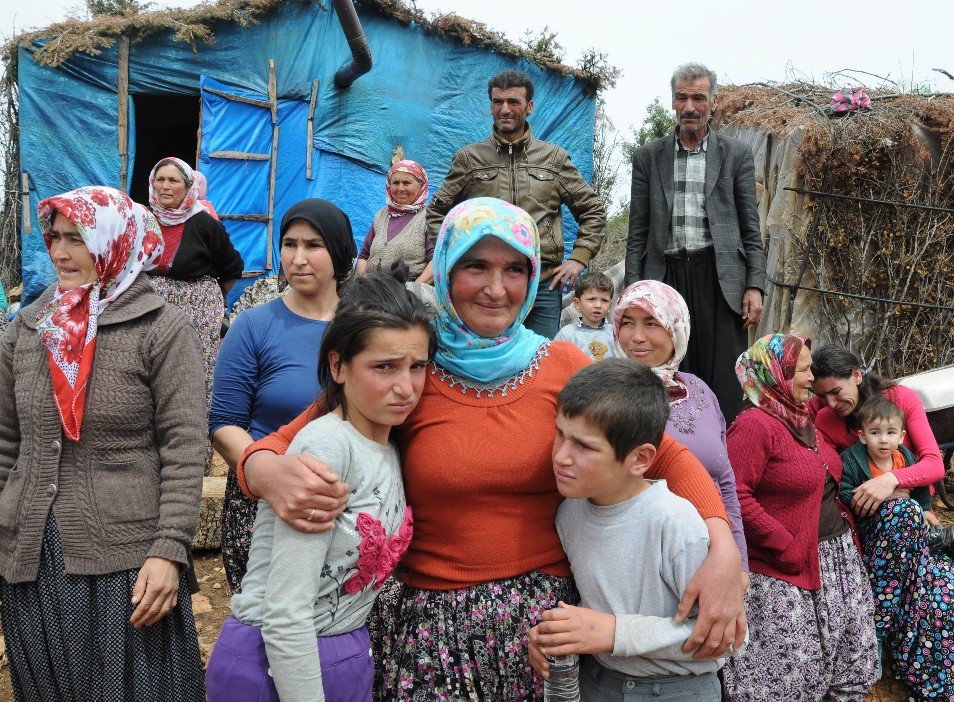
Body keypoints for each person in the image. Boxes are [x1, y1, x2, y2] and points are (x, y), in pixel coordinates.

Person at [236, 197, 745, 701]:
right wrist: (266, 473)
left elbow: (666, 454)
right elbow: (275, 445)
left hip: (545, 635)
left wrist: (721, 548)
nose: (496, 289)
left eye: (514, 270)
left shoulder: (563, 365)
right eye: (476, 266)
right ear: (446, 270)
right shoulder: (408, 369)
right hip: (433, 636)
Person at [0, 186, 206, 700]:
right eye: (55, 238)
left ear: (114, 242)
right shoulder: (26, 329)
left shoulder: (159, 328)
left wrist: (169, 550)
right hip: (33, 561)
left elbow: (184, 449)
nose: (60, 253)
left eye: (79, 239)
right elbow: (7, 444)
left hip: (126, 564)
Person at [206, 270, 435, 702]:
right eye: (383, 367)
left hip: (340, 656)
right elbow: (286, 612)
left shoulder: (387, 445)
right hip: (277, 667)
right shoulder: (328, 447)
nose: (406, 387)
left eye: (417, 367)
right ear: (338, 365)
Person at [528, 359, 734, 702]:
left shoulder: (675, 523)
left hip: (676, 691)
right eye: (560, 435)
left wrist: (615, 633)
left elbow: (726, 641)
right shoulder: (569, 513)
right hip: (596, 682)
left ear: (639, 459)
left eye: (585, 446)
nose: (561, 456)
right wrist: (559, 634)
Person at [210, 199, 357, 592]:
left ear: (339, 251)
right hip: (265, 504)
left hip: (350, 505)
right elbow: (224, 423)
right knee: (272, 631)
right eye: (289, 244)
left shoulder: (365, 328)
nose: (298, 258)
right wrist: (271, 476)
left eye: (313, 245)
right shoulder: (254, 326)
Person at [723, 333, 879, 701]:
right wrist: (784, 543)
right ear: (777, 372)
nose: (812, 378)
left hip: (835, 558)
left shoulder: (799, 417)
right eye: (804, 370)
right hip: (786, 567)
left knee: (849, 665)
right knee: (787, 676)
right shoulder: (754, 425)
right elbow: (733, 495)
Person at [811, 345, 954, 701]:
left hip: (912, 520)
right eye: (822, 396)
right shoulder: (826, 420)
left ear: (856, 375)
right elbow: (841, 488)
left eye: (836, 392)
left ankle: (936, 693)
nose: (831, 404)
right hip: (870, 529)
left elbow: (933, 464)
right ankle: (878, 632)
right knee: (903, 515)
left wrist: (893, 481)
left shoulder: (901, 400)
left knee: (947, 593)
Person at [624, 63, 765, 422]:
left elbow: (751, 227)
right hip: (665, 279)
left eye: (698, 98)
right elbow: (637, 231)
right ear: (672, 101)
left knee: (724, 379)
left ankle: (726, 460)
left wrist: (754, 284)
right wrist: (632, 292)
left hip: (720, 278)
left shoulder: (735, 154)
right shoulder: (649, 156)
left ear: (712, 103)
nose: (690, 107)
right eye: (682, 97)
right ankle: (671, 450)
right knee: (666, 372)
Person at [425, 70, 607, 339]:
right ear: (490, 107)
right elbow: (437, 213)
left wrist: (578, 259)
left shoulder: (553, 159)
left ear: (529, 107)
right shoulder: (469, 159)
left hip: (542, 284)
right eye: (498, 102)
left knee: (536, 362)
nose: (505, 109)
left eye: (514, 102)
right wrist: (459, 257)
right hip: (484, 285)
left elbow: (592, 209)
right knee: (485, 360)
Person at [612, 280, 748, 572]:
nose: (636, 337)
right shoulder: (604, 395)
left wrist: (738, 561)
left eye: (651, 323)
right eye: (628, 323)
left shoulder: (699, 390)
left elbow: (725, 482)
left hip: (713, 556)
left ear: (677, 329)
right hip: (638, 565)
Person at [147, 156, 244, 426]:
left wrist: (213, 299)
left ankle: (192, 443)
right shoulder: (143, 219)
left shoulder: (204, 223)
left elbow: (232, 266)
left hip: (196, 311)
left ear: (188, 186)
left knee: (191, 374)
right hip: (150, 308)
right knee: (150, 371)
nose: (165, 186)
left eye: (173, 180)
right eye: (160, 180)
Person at [841, 396, 954, 560]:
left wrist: (924, 509)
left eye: (891, 433)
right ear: (862, 436)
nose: (883, 439)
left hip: (908, 521)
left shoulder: (904, 457)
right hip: (872, 525)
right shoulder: (851, 460)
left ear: (901, 436)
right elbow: (843, 492)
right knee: (906, 512)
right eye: (875, 433)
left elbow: (920, 487)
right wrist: (883, 500)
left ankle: (945, 550)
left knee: (916, 518)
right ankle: (932, 545)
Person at [356, 160, 434, 283]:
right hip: (373, 290)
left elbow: (436, 261)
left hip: (409, 294)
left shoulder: (429, 217)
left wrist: (413, 290)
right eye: (395, 183)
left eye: (407, 183)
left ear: (421, 185)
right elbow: (364, 256)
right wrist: (363, 282)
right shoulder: (382, 215)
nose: (400, 188)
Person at [553, 271, 616, 361]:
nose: (598, 305)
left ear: (610, 305)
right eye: (591, 299)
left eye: (604, 300)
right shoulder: (567, 335)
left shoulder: (615, 333)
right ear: (577, 303)